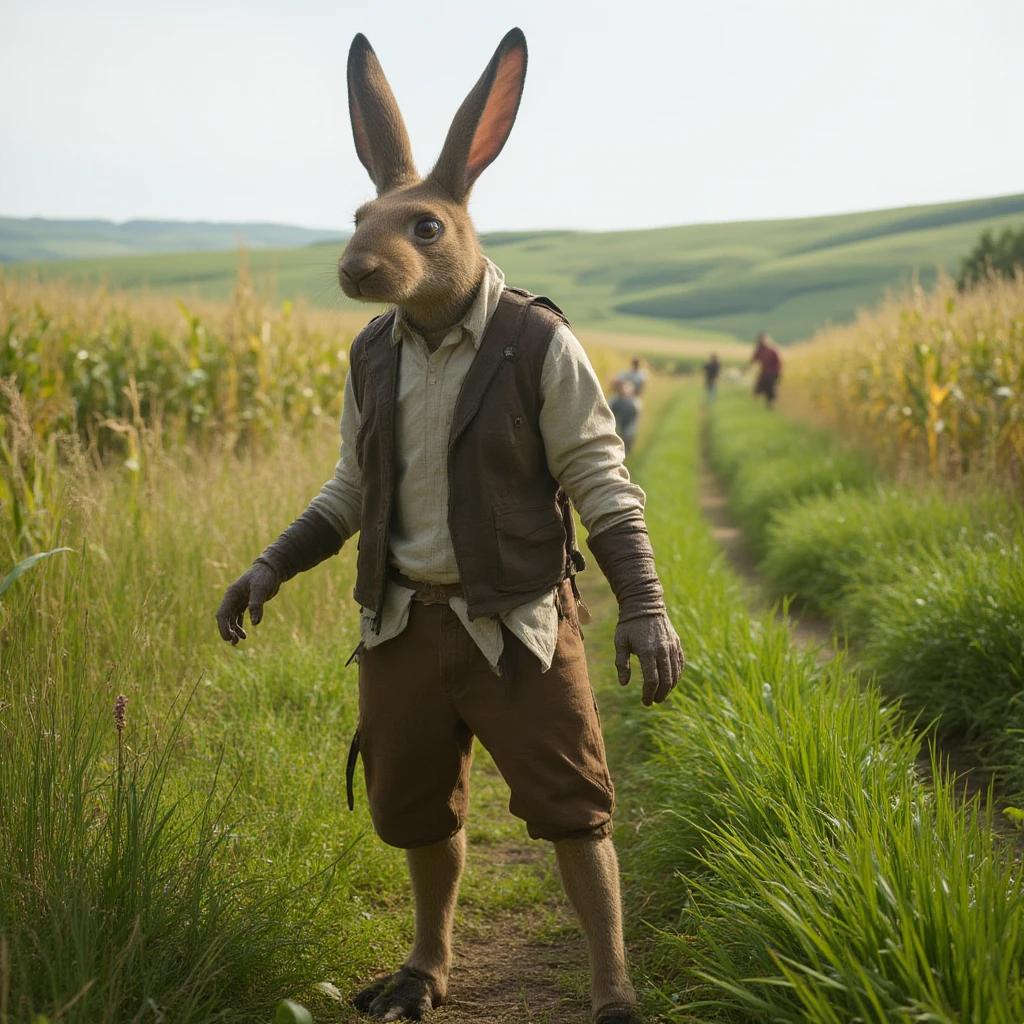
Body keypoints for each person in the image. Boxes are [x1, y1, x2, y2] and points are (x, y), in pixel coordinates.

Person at [215, 29, 683, 1024]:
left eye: (419, 230)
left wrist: (641, 603)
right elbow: (350, 486)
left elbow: (600, 477)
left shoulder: (533, 341)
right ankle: (429, 960)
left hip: (517, 620)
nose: (374, 250)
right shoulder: (373, 356)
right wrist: (272, 563)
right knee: (414, 806)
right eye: (371, 224)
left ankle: (610, 984)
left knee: (570, 805)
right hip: (400, 624)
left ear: (460, 224)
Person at [750, 332, 782, 408]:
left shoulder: (772, 350)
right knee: (758, 389)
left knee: (770, 390)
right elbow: (753, 359)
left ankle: (769, 405)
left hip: (772, 373)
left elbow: (778, 363)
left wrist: (777, 373)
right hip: (764, 373)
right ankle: (755, 405)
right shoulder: (760, 350)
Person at [608, 379, 639, 455]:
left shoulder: (632, 402)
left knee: (626, 445)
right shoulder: (614, 400)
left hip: (628, 430)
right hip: (618, 428)